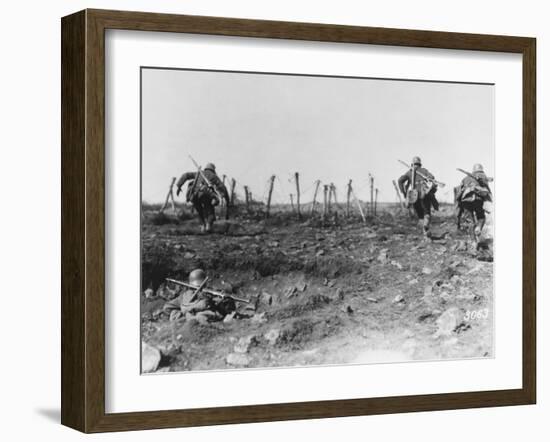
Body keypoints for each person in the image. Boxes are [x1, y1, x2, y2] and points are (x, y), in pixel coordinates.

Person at [163, 269, 233, 323]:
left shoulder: (211, 293)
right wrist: (183, 311)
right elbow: (167, 308)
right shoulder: (185, 295)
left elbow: (224, 307)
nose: (198, 289)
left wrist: (217, 300)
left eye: (200, 286)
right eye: (195, 287)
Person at [176, 163, 230, 233]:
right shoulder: (214, 176)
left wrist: (179, 185)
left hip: (194, 196)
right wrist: (226, 199)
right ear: (213, 170)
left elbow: (186, 175)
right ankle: (208, 226)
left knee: (200, 212)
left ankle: (203, 226)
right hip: (206, 195)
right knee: (210, 210)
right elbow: (223, 188)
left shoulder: (199, 173)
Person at [397, 156, 439, 239]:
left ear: (412, 164)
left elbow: (400, 181)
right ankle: (426, 228)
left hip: (414, 196)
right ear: (420, 163)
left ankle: (425, 234)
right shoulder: (424, 171)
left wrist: (404, 193)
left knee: (420, 215)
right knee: (427, 213)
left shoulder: (409, 172)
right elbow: (432, 177)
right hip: (424, 195)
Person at [455, 163, 492, 244]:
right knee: (481, 217)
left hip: (465, 201)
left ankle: (473, 242)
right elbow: (487, 191)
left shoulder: (465, 178)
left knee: (470, 222)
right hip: (477, 200)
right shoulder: (483, 177)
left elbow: (459, 191)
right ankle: (478, 228)